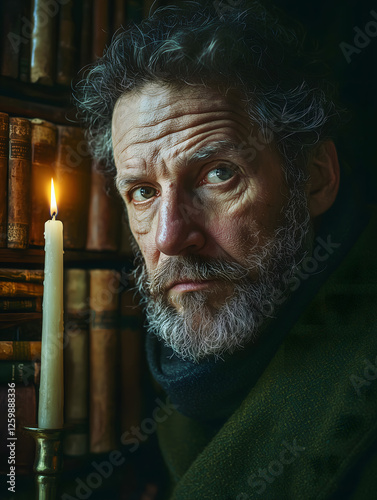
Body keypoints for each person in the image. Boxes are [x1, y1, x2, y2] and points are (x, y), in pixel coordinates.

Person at [75, 1, 377, 498]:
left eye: (218, 174)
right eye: (143, 192)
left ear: (316, 178)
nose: (169, 237)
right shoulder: (174, 376)